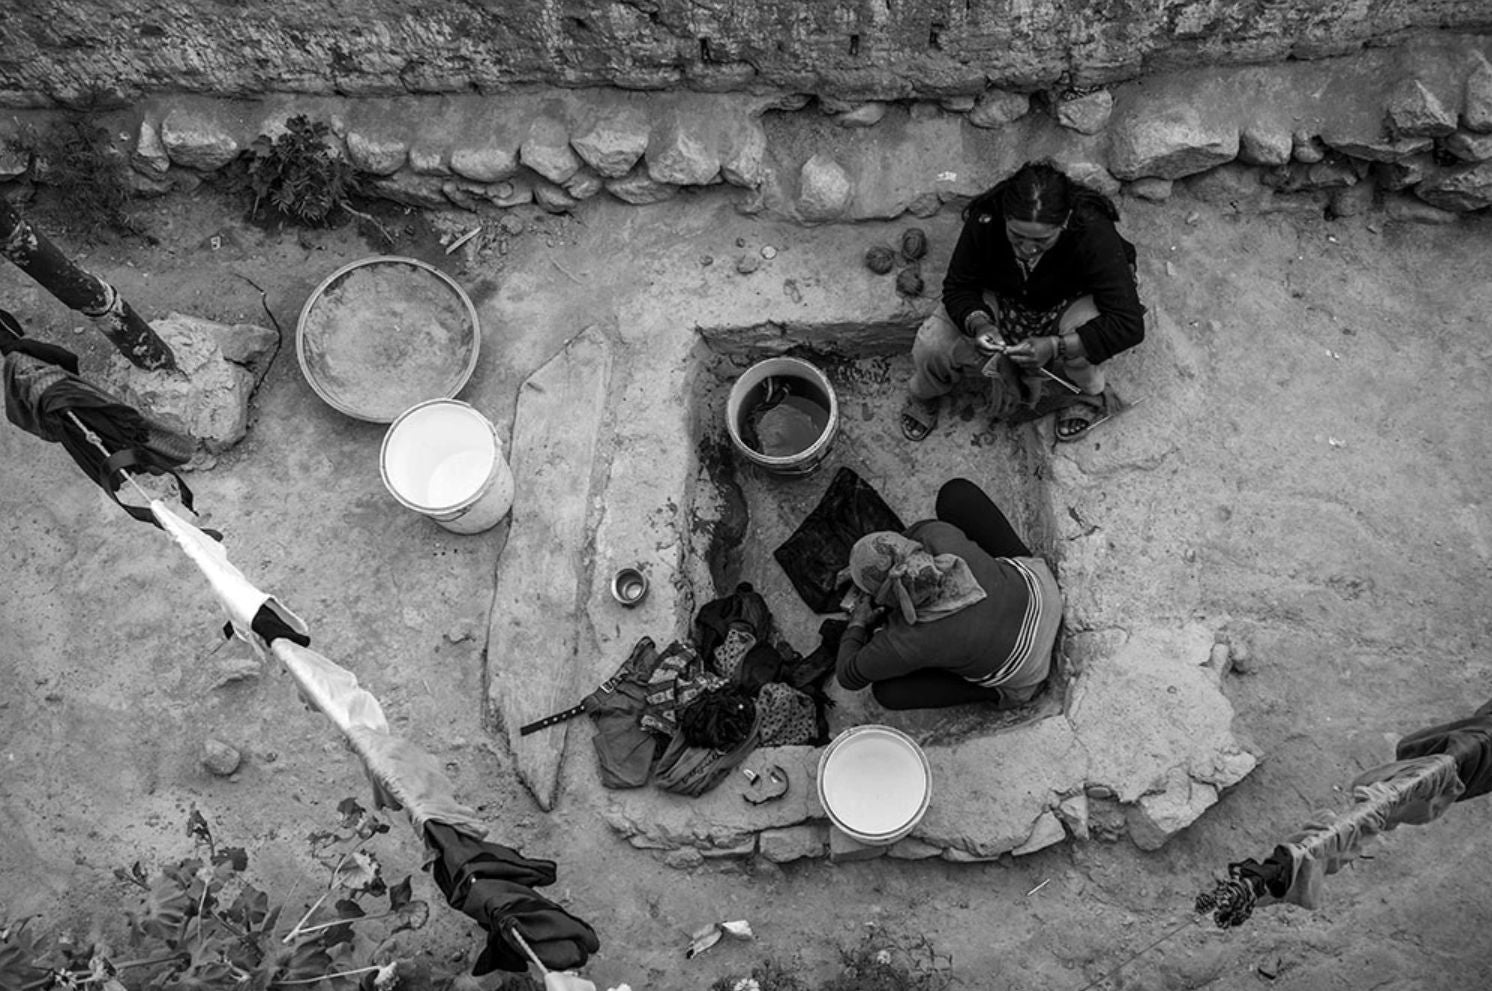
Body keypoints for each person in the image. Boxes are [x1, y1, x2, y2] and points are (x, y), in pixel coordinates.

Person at [900, 159, 1145, 443]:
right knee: (934, 344)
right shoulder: (986, 219)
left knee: (1086, 348)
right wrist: (979, 324)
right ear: (1005, 217)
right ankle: (926, 393)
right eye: (1017, 237)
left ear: (1064, 221)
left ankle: (1080, 396)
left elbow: (1128, 324)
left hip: (1067, 300)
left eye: (1042, 240)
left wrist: (1057, 345)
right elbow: (959, 287)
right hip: (1004, 297)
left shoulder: (1093, 231)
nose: (1028, 248)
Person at [835, 478, 1062, 710]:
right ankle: (1008, 580)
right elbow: (911, 535)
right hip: (1043, 592)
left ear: (884, 597)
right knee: (956, 495)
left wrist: (858, 622)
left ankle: (999, 694)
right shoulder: (936, 534)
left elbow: (847, 676)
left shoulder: (904, 641)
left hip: (1028, 671)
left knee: (887, 692)